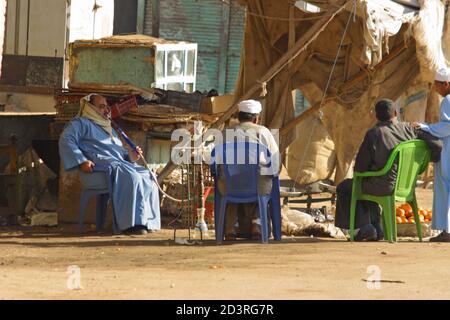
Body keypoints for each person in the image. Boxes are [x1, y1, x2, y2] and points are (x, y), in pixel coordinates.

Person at [335, 99, 442, 241]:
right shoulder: (411, 128)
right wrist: (425, 161)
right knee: (367, 182)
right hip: (405, 186)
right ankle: (376, 228)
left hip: (383, 186)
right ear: (396, 113)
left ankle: (361, 228)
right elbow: (438, 145)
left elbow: (360, 168)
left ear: (376, 116)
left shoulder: (373, 134)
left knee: (346, 187)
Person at [59, 93, 161, 235]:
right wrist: (81, 161)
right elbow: (66, 140)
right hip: (97, 171)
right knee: (132, 177)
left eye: (107, 107)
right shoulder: (80, 123)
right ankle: (130, 225)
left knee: (148, 176)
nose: (106, 110)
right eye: (101, 107)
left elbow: (120, 154)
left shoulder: (109, 128)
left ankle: (146, 221)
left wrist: (131, 155)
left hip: (116, 167)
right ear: (89, 107)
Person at [218, 99, 280, 240]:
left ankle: (230, 228)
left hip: (230, 186)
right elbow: (275, 162)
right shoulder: (263, 132)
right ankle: (257, 223)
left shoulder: (226, 132)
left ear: (239, 116)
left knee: (230, 181)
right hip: (257, 187)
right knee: (264, 183)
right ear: (256, 118)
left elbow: (217, 161)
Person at [413, 67, 450, 242]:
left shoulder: (448, 101)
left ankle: (447, 231)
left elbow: (446, 127)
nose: (435, 88)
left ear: (446, 84)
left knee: (446, 188)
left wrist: (425, 127)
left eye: (437, 85)